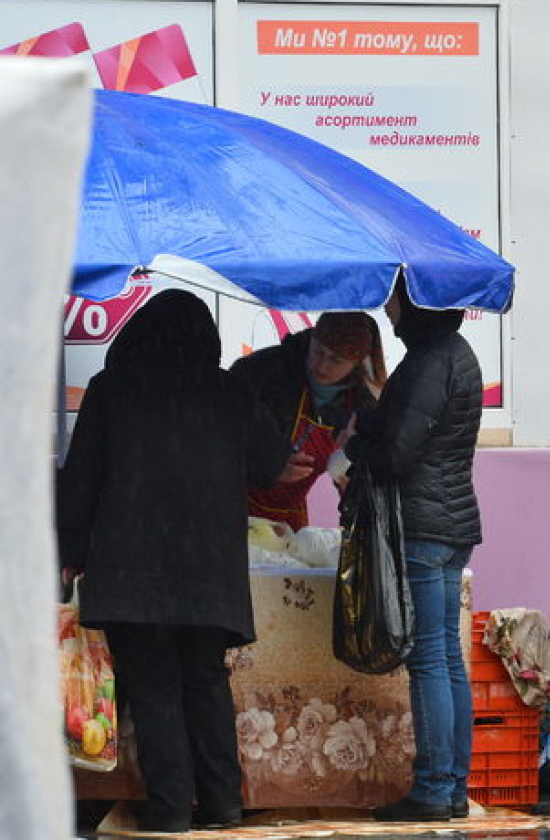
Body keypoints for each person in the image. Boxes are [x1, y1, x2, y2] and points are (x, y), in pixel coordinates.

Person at [57, 290, 285, 833]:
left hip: (131, 567)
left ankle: (171, 809)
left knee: (154, 683)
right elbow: (272, 464)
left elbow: (81, 480)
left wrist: (67, 554)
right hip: (208, 571)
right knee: (205, 680)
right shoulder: (228, 389)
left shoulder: (111, 389)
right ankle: (224, 803)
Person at [342, 275, 484, 823]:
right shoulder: (454, 354)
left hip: (424, 526)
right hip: (449, 523)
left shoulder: (430, 361)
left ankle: (434, 786)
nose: (387, 305)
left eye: (394, 296)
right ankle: (450, 787)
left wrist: (358, 442)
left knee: (430, 658)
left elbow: (398, 455)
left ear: (418, 300)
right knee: (446, 657)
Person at [231, 312, 385, 531]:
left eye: (336, 360)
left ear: (356, 362)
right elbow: (217, 438)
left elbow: (367, 470)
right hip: (236, 505)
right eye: (318, 351)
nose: (321, 366)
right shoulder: (262, 371)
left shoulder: (361, 403)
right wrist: (266, 466)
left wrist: (352, 483)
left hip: (290, 521)